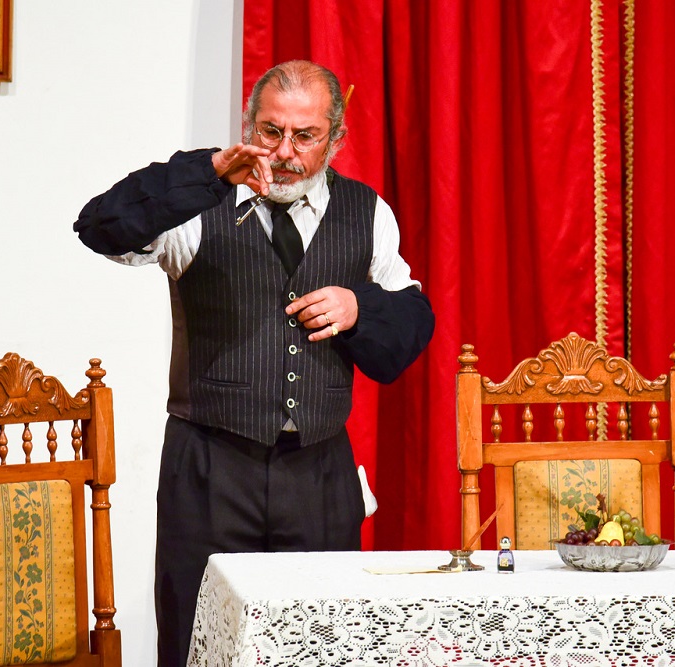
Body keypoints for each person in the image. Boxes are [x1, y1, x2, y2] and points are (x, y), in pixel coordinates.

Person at [73, 60, 434, 666]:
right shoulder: (196, 206)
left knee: (324, 648)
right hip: (210, 470)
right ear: (248, 127)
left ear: (336, 138)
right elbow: (99, 226)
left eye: (305, 136)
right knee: (198, 644)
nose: (285, 152)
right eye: (271, 131)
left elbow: (410, 325)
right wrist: (208, 171)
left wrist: (359, 308)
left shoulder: (366, 213)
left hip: (319, 474)